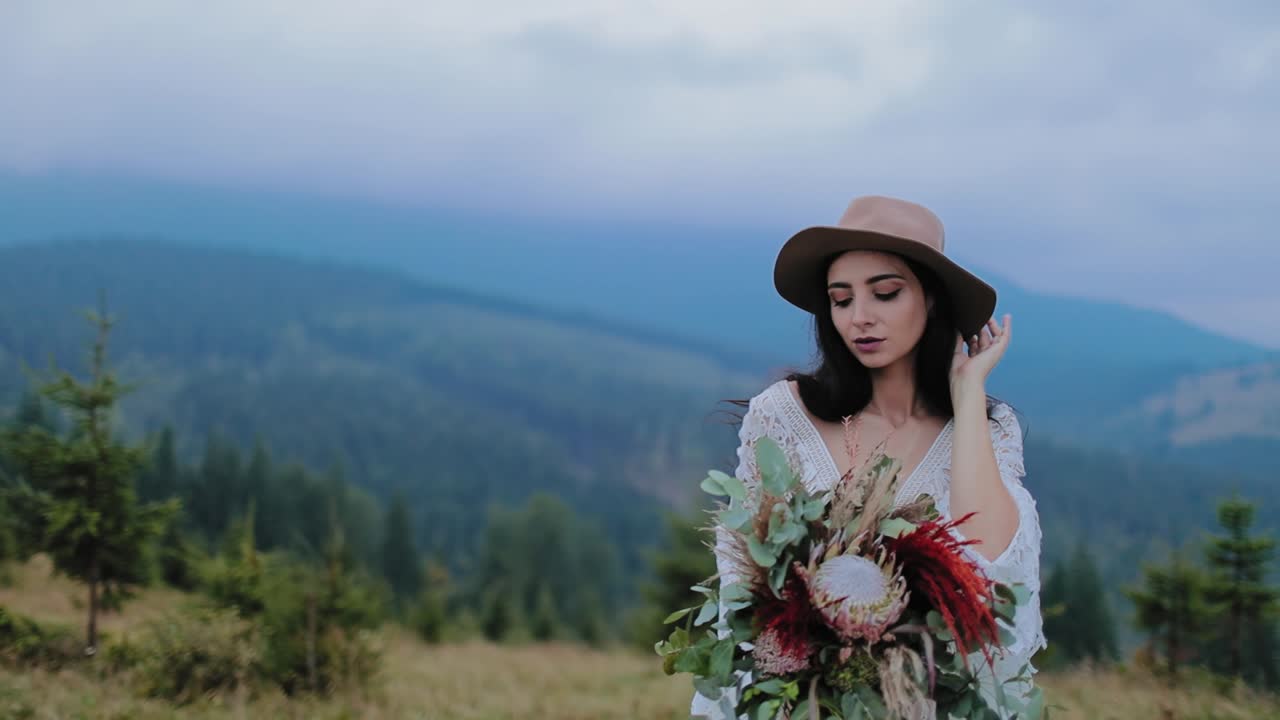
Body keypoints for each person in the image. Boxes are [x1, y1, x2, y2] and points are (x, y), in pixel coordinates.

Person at [690, 195, 1046, 719]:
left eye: (885, 293)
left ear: (931, 300)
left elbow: (993, 566)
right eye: (840, 299)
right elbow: (741, 593)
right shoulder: (783, 417)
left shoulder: (985, 430)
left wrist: (968, 393)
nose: (860, 318)